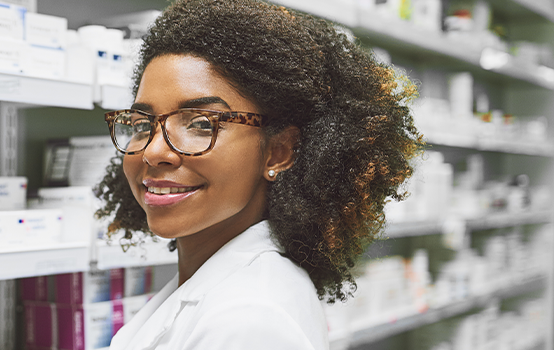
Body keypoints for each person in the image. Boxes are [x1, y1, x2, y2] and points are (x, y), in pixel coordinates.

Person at [95, 0, 422, 349]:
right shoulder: (214, 282)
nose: (154, 151)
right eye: (144, 124)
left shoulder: (249, 319)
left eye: (202, 123)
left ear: (278, 152)